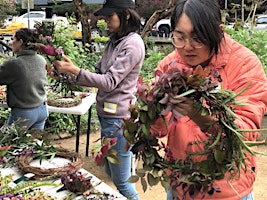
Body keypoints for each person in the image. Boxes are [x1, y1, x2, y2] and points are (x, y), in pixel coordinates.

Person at [150, 0, 267, 199]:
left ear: (218, 32)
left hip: (228, 190)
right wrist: (152, 108)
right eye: (180, 37)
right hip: (181, 184)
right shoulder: (169, 66)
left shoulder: (245, 65)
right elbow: (157, 130)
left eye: (197, 38)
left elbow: (245, 132)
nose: (187, 47)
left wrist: (198, 114)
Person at [47, 0, 145, 199]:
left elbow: (109, 82)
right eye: (105, 17)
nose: (105, 20)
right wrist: (65, 76)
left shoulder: (133, 44)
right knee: (110, 172)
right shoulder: (114, 42)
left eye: (110, 16)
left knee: (122, 183)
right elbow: (97, 75)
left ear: (126, 15)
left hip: (119, 121)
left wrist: (75, 70)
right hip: (107, 118)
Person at [0, 28, 48, 130]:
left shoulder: (14, 64)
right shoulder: (41, 60)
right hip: (42, 109)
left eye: (13, 39)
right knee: (34, 144)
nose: (11, 42)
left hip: (24, 113)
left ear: (20, 42)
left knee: (7, 144)